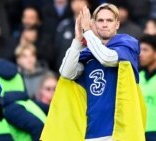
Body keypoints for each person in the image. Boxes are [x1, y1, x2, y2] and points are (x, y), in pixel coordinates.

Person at [58, 3, 142, 141]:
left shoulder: (127, 44)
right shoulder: (88, 53)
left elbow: (107, 58)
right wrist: (78, 40)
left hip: (118, 131)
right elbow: (66, 73)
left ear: (117, 24)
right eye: (100, 20)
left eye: (109, 20)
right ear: (94, 24)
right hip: (89, 131)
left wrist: (88, 33)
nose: (104, 24)